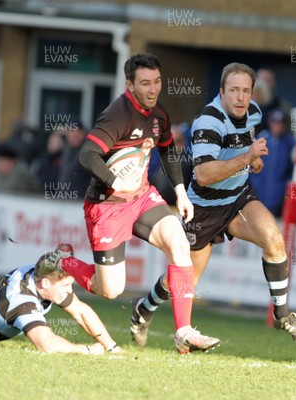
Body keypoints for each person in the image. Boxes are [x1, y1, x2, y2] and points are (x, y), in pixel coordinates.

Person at [131, 62, 296, 348]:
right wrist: (247, 156)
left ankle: (282, 315)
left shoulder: (254, 112)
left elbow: (245, 145)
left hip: (238, 198)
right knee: (182, 279)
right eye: (234, 91)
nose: (241, 97)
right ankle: (143, 309)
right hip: (203, 206)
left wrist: (254, 159)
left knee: (275, 240)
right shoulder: (208, 122)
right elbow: (203, 175)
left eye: (246, 91)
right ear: (222, 92)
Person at [58, 53, 218, 354]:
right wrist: (114, 181)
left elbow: (169, 150)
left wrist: (181, 192)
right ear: (129, 85)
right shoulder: (117, 115)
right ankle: (60, 262)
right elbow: (87, 155)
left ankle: (183, 331)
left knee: (179, 244)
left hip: (142, 197)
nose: (153, 89)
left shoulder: (159, 115)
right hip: (107, 206)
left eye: (157, 81)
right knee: (110, 289)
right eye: (145, 83)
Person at [249, 109, 295, 217]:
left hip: (279, 201)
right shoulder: (260, 141)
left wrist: (286, 192)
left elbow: (292, 173)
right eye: (274, 123)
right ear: (270, 123)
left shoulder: (290, 144)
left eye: (280, 124)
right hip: (258, 197)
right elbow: (250, 168)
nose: (277, 127)